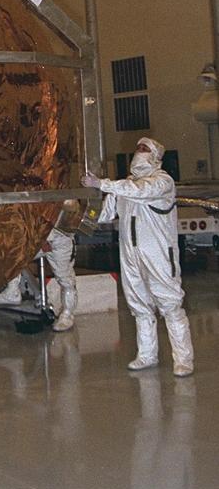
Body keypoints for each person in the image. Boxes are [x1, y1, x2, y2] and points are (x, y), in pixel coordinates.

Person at [83, 136, 194, 376]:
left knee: (170, 304)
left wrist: (102, 184)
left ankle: (183, 360)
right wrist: (80, 209)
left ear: (156, 157)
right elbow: (103, 215)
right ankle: (146, 355)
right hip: (130, 255)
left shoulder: (163, 182)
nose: (139, 152)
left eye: (145, 149)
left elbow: (141, 191)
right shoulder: (122, 186)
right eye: (138, 148)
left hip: (158, 255)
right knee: (139, 305)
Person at [0, 209, 78, 332]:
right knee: (12, 252)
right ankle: (13, 290)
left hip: (60, 240)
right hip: (37, 238)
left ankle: (67, 314)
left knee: (65, 279)